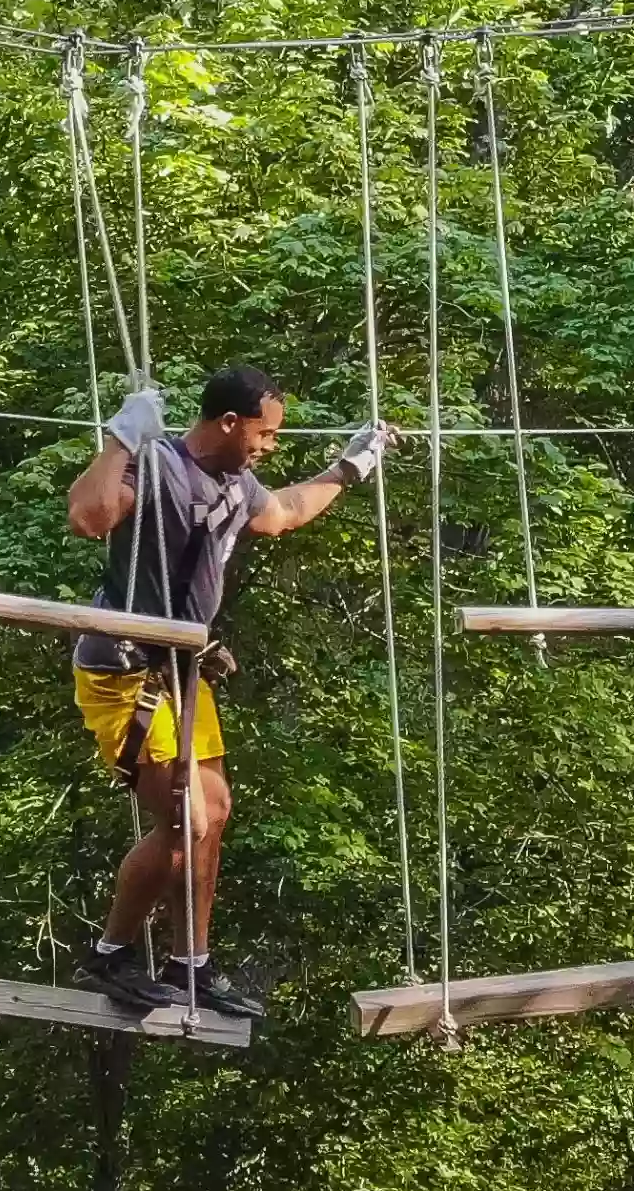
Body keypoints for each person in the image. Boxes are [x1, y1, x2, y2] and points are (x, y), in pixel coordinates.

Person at [64, 365, 394, 1016]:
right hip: (126, 671)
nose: (269, 446)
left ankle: (195, 964)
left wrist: (350, 468)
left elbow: (285, 513)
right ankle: (109, 957)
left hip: (182, 670)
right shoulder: (157, 466)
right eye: (265, 434)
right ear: (229, 422)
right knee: (187, 817)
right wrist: (120, 439)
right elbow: (88, 515)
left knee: (212, 817)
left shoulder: (235, 486)